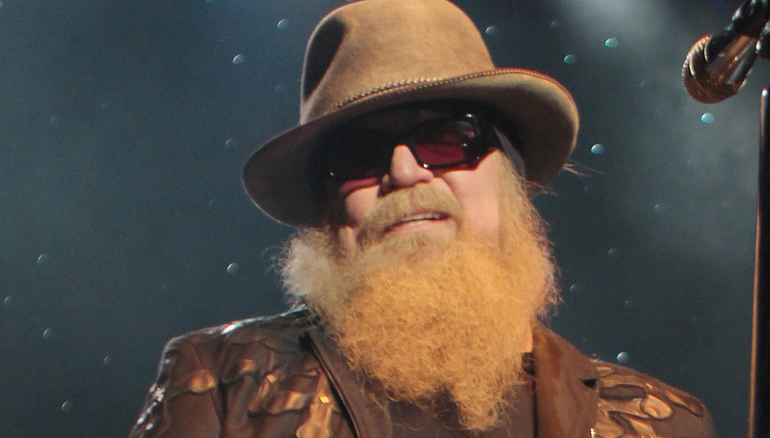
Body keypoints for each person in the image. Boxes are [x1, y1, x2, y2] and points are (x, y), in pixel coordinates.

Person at [129, 0, 717, 436]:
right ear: (327, 211)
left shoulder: (662, 425)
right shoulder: (221, 385)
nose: (407, 173)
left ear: (507, 178)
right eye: (359, 155)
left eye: (446, 139)